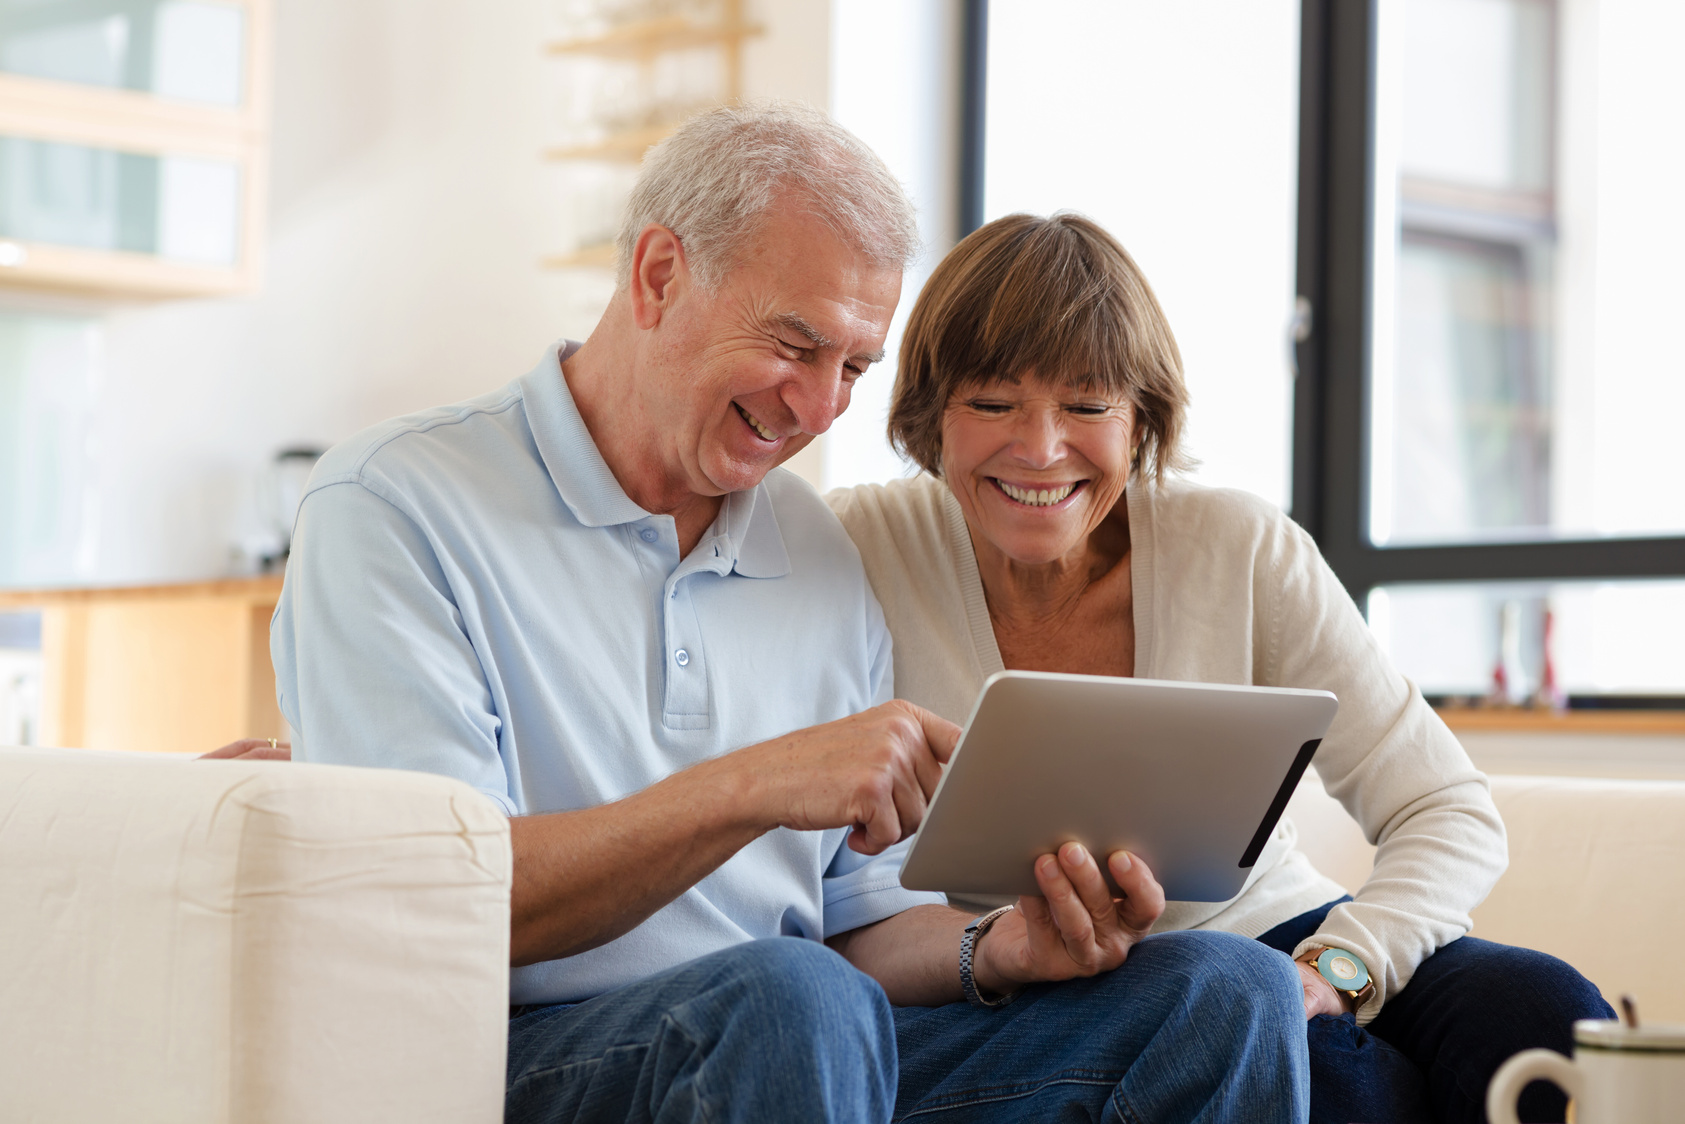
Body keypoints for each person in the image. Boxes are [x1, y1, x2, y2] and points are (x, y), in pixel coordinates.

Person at [255, 106, 1310, 1123]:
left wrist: (998, 947)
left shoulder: (811, 545)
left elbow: (858, 923)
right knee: (789, 996)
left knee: (1225, 990)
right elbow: (435, 901)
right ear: (658, 274)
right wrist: (753, 785)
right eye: (795, 346)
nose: (819, 408)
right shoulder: (394, 504)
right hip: (518, 1054)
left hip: (807, 1042)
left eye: (852, 368)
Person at [826, 211, 1615, 1124]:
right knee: (1336, 1078)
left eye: (1087, 406)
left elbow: (1445, 808)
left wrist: (1340, 966)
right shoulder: (853, 547)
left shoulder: (1236, 547)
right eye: (992, 404)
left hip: (1279, 935)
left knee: (1545, 1015)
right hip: (1043, 977)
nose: (1040, 449)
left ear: (1140, 419)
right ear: (930, 413)